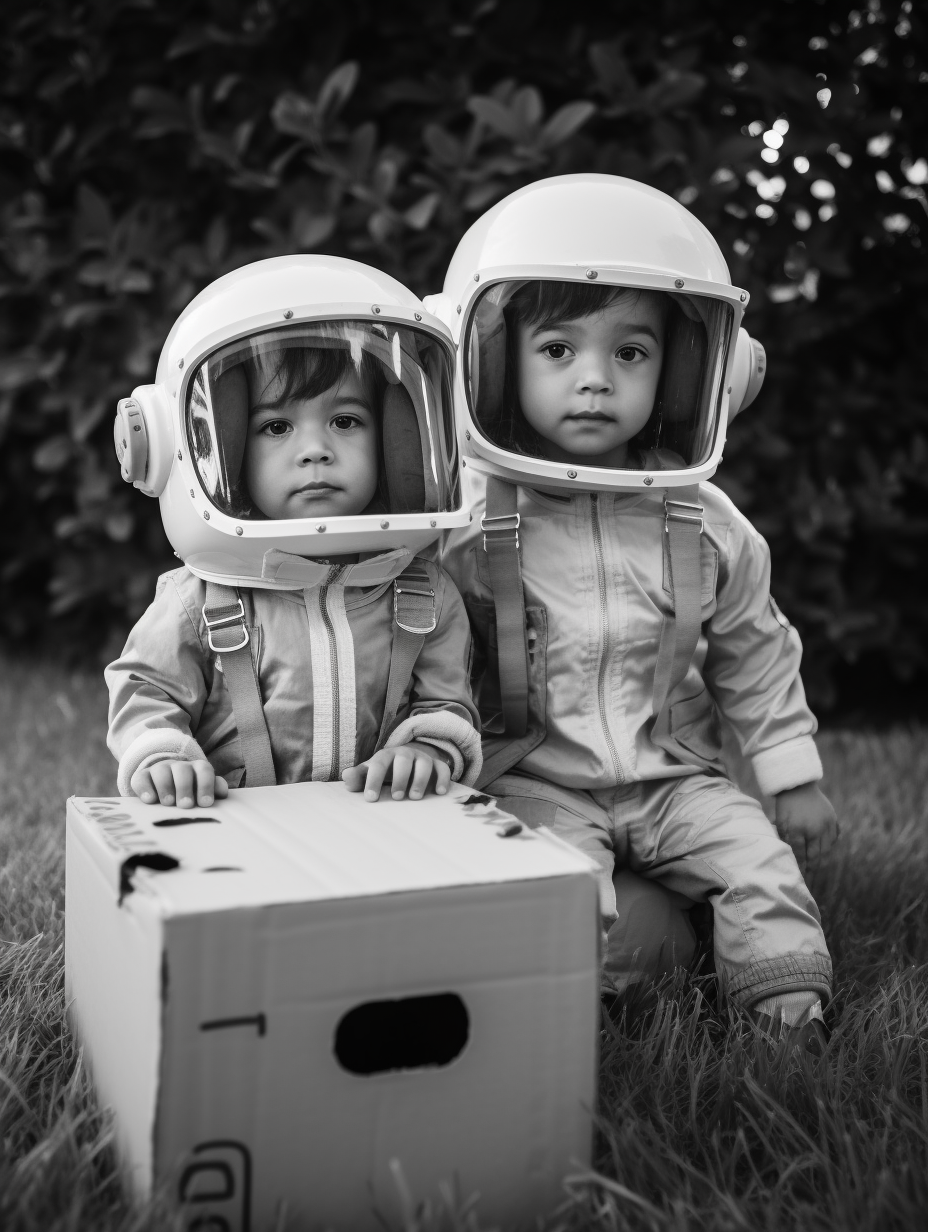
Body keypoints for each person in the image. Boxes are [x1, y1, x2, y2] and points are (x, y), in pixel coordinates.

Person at [430, 174, 838, 1049]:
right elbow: (423, 652)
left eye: (631, 353)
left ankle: (789, 1031)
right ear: (492, 363)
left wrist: (789, 771)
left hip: (675, 776)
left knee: (759, 867)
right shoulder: (463, 522)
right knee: (558, 894)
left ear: (692, 371)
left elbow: (754, 650)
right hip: (532, 779)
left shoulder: (707, 522)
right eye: (557, 350)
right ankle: (565, 1038)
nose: (594, 381)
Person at [106, 256, 481, 807]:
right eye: (276, 426)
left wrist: (426, 751)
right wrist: (163, 757)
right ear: (224, 448)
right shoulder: (197, 599)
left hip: (384, 831)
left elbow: (447, 704)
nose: (315, 449)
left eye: (346, 421)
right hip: (234, 837)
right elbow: (147, 691)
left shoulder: (424, 592)